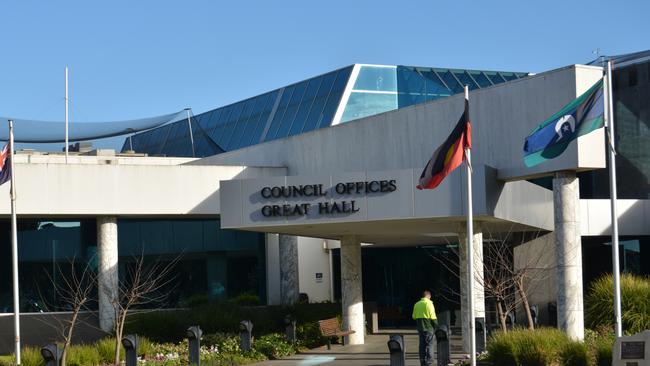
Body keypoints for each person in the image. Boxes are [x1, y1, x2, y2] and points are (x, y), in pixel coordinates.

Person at [412, 289, 438, 366]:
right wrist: (436, 325)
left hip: (420, 328)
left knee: (422, 346)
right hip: (429, 328)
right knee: (430, 345)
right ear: (428, 296)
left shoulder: (416, 304)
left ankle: (422, 361)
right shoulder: (429, 304)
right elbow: (433, 317)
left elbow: (414, 316)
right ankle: (429, 363)